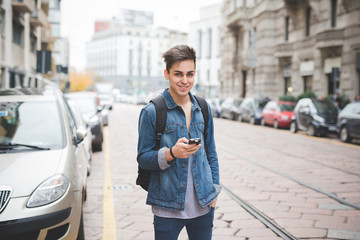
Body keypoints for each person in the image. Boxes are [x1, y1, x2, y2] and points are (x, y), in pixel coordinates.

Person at [137, 45, 221, 240]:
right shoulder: (152, 111)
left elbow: (211, 154)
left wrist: (215, 190)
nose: (185, 81)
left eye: (190, 74)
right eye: (178, 74)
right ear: (166, 74)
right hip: (167, 207)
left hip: (203, 205)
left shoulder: (203, 107)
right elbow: (143, 158)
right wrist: (171, 153)